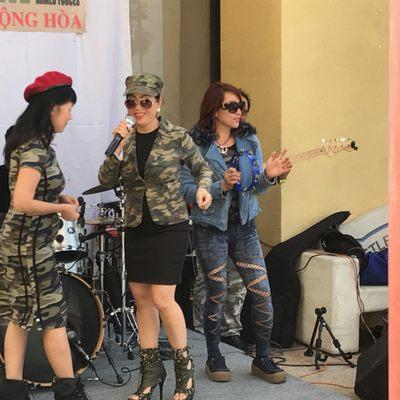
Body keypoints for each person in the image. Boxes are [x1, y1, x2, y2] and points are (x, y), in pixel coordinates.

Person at [98, 73, 212, 400]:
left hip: (170, 225)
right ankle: (150, 372)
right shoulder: (127, 139)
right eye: (131, 101)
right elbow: (104, 178)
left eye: (145, 102)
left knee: (163, 298)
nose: (137, 108)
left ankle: (184, 371)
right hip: (137, 226)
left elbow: (201, 168)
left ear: (159, 103)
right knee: (142, 300)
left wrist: (203, 188)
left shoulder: (177, 136)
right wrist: (116, 148)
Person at [181, 81, 292, 384]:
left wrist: (269, 175)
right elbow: (186, 190)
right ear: (214, 109)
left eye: (242, 106)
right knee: (216, 293)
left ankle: (263, 357)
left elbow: (254, 186)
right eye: (232, 106)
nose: (239, 112)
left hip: (244, 227)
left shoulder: (249, 140)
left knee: (262, 295)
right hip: (210, 230)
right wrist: (221, 187)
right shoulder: (195, 144)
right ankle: (215, 355)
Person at [0, 71, 89, 400]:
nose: (70, 115)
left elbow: (30, 192)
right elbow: (21, 201)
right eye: (68, 108)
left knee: (20, 316)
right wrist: (60, 211)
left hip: (24, 244)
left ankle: (13, 390)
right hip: (28, 247)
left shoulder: (34, 144)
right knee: (53, 317)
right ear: (53, 108)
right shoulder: (36, 149)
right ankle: (69, 391)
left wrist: (57, 199)